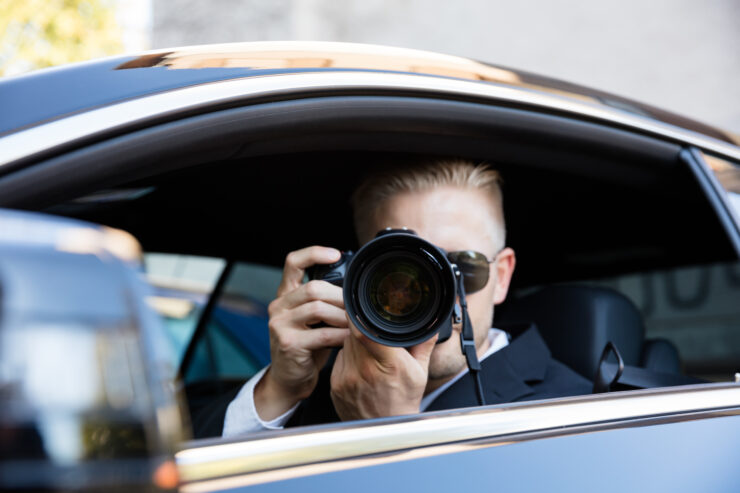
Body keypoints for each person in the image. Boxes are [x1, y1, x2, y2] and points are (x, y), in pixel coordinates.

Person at [221, 159, 591, 436]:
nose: (430, 291)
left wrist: (390, 433)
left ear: (502, 276)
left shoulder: (577, 412)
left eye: (460, 266)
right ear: (357, 277)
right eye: (399, 272)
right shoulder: (328, 385)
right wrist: (282, 388)